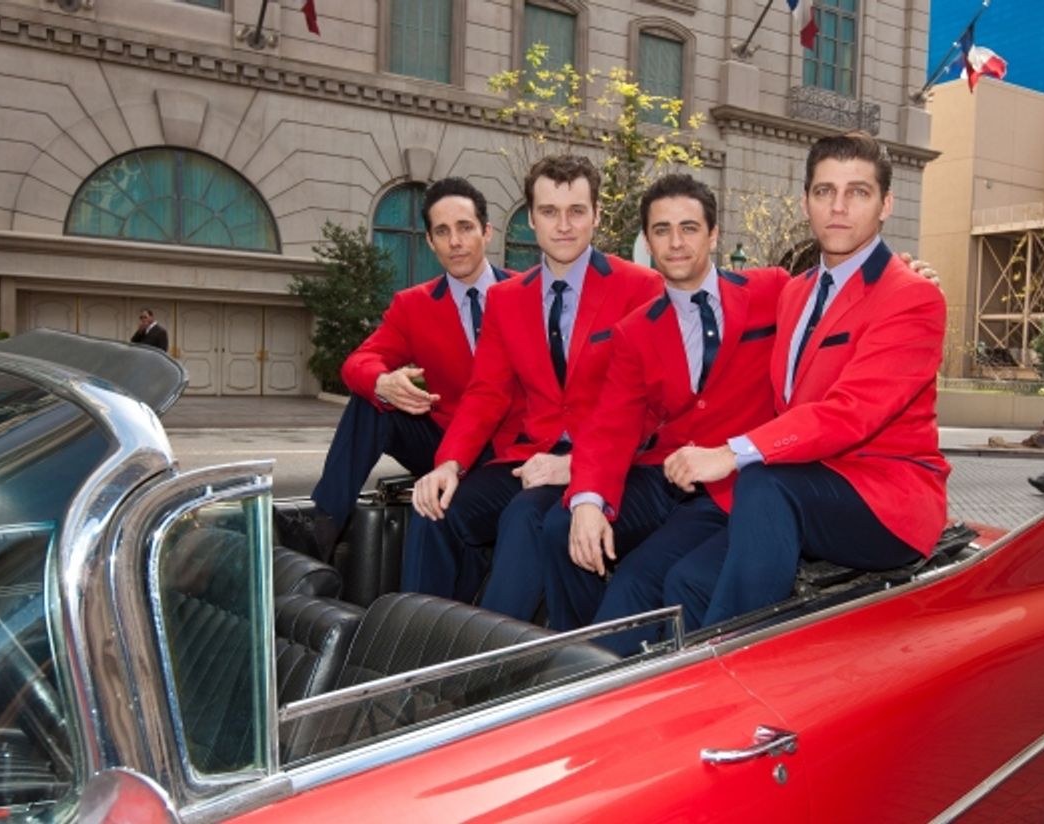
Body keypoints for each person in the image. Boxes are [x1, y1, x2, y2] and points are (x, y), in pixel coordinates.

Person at [661, 130, 949, 629]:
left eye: (857, 192)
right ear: (806, 202)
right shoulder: (794, 292)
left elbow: (852, 411)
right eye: (824, 192)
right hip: (804, 481)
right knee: (685, 579)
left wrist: (731, 452)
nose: (838, 207)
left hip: (886, 499)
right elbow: (687, 286)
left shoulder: (913, 295)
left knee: (764, 482)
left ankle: (735, 672)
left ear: (886, 205)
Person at [540, 174, 790, 651]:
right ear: (647, 240)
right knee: (561, 527)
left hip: (735, 481)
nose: (675, 243)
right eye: (661, 230)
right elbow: (611, 424)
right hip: (662, 477)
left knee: (642, 579)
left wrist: (903, 274)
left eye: (689, 228)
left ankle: (600, 672)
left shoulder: (772, 290)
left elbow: (835, 307)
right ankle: (576, 648)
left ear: (713, 234)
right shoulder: (635, 331)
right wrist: (589, 500)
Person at [407, 154, 664, 615]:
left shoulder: (640, 286)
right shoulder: (506, 299)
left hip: (607, 458)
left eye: (576, 211)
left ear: (597, 215)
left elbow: (651, 403)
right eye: (549, 212)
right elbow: (486, 392)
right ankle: (419, 644)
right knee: (432, 509)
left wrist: (579, 465)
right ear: (530, 218)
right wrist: (448, 464)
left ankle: (493, 668)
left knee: (525, 518)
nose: (563, 226)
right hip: (530, 456)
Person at [307, 177, 520, 559]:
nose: (455, 241)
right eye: (442, 231)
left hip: (510, 450)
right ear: (429, 242)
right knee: (369, 401)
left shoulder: (527, 294)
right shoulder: (413, 306)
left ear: (486, 232)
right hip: (442, 443)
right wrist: (382, 381)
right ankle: (322, 526)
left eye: (465, 227)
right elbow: (357, 362)